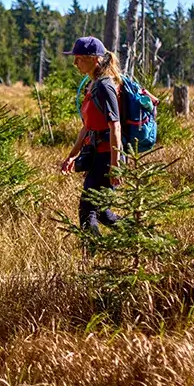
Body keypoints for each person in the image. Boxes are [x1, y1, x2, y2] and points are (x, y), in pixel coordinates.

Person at [60, 37, 122, 245]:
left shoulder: (105, 86)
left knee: (87, 211)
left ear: (94, 59)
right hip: (96, 156)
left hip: (106, 158)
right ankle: (139, 236)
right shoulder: (93, 85)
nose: (75, 63)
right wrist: (71, 156)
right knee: (102, 213)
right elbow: (86, 128)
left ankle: (92, 257)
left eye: (79, 59)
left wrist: (115, 166)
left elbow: (116, 126)